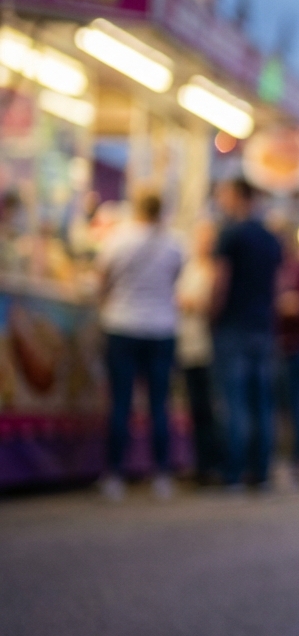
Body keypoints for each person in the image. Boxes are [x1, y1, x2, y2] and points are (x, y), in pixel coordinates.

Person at [96, 190, 183, 502]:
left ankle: (114, 475)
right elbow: (174, 281)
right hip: (161, 328)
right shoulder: (174, 244)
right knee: (160, 405)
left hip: (122, 324)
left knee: (121, 403)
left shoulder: (118, 240)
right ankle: (161, 474)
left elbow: (102, 280)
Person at [212, 178, 283, 491]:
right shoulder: (271, 239)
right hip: (263, 326)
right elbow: (279, 287)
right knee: (261, 402)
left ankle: (233, 473)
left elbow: (220, 281)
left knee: (233, 400)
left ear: (237, 196)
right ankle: (262, 472)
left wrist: (212, 313)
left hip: (234, 324)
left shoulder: (230, 234)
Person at [176, 219, 220, 485]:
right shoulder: (189, 268)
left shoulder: (216, 270)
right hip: (188, 344)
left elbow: (208, 305)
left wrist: (190, 303)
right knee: (195, 408)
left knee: (209, 409)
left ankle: (212, 464)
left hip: (208, 347)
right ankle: (200, 463)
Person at [276, 229, 299, 490]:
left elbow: (296, 306)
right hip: (278, 345)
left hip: (298, 346)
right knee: (279, 409)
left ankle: (298, 463)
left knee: (295, 407)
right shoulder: (275, 267)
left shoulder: (298, 269)